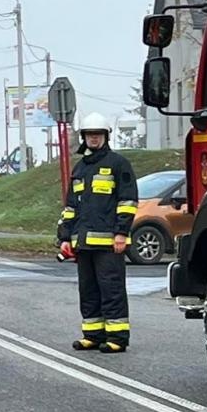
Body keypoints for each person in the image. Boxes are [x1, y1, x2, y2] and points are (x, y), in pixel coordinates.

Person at [56, 113, 137, 353]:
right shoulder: (80, 168)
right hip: (83, 243)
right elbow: (71, 207)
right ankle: (93, 334)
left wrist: (121, 233)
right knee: (88, 290)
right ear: (84, 137)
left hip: (109, 243)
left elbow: (127, 201)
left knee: (111, 289)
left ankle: (117, 337)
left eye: (98, 134)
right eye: (90, 135)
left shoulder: (118, 164)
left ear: (105, 136)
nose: (93, 138)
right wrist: (64, 237)